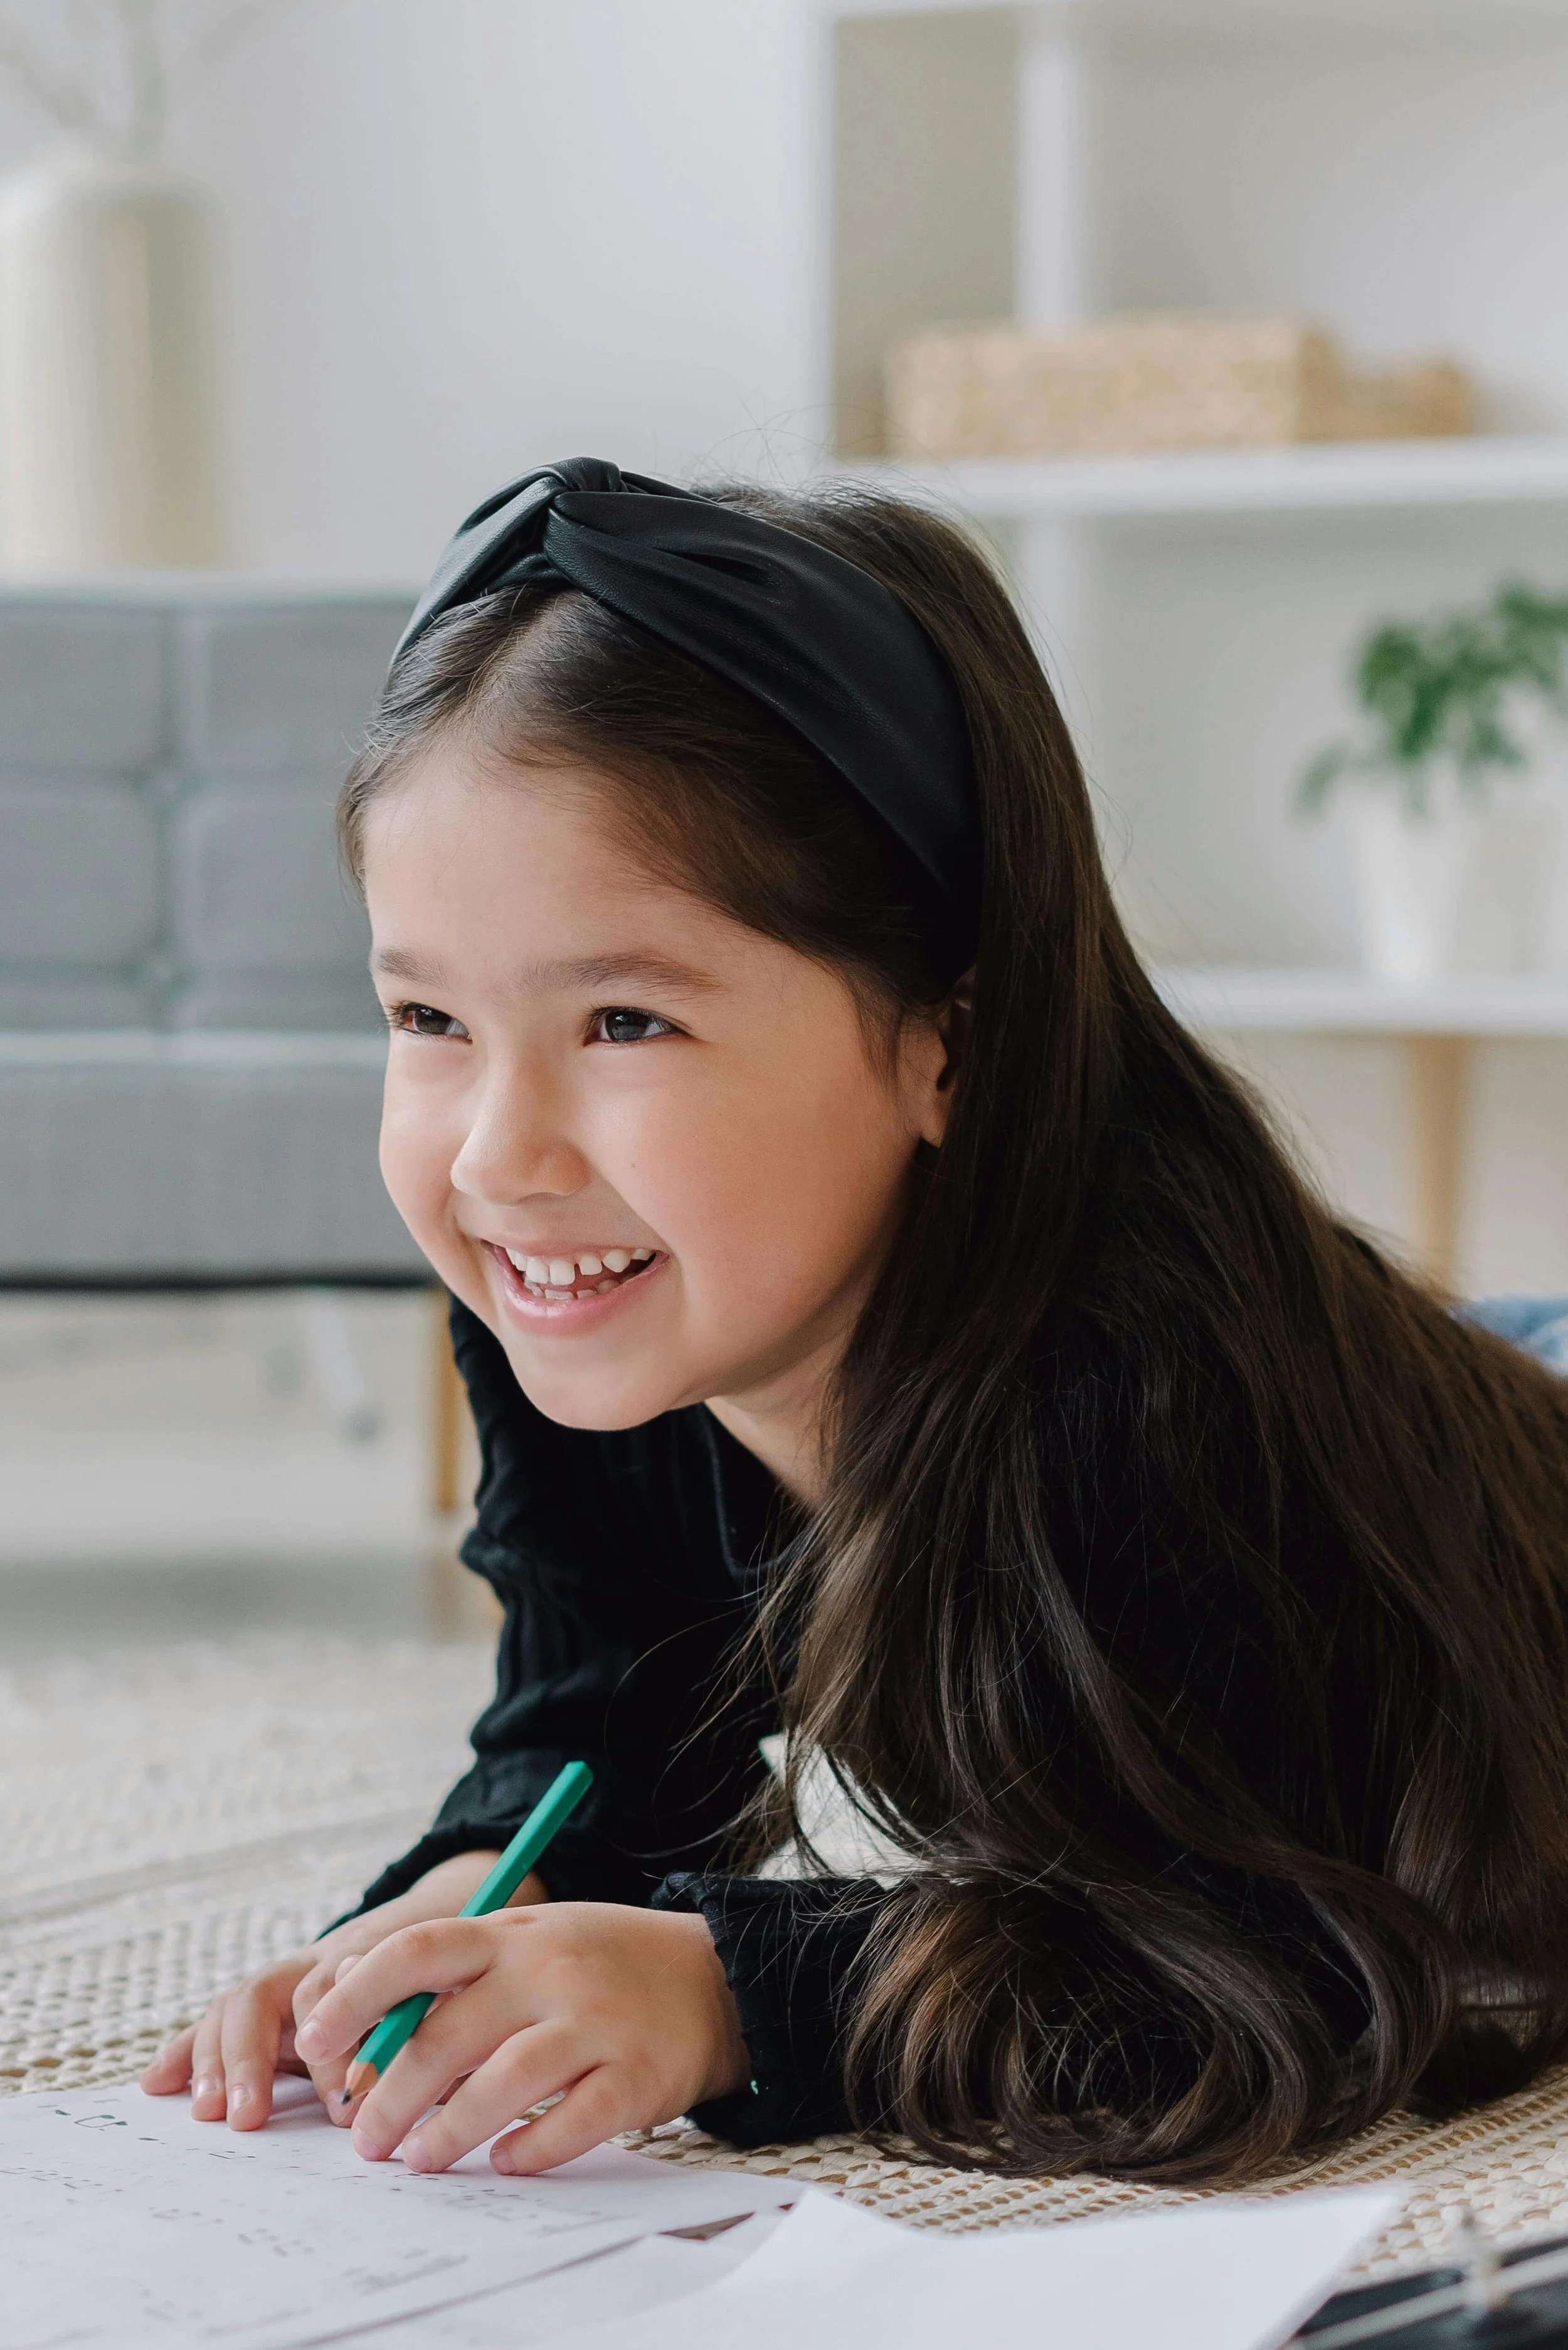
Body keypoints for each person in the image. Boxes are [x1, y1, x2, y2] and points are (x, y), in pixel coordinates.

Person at [143, 460, 1568, 2186]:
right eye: (428, 1014)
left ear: (940, 1045)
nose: (499, 1155)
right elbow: (602, 1724)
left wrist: (733, 1994)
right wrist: (452, 1909)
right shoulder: (588, 1280)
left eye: (624, 1023)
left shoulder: (1152, 1391)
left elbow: (1283, 1970)